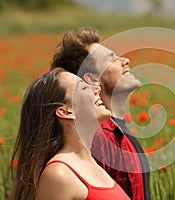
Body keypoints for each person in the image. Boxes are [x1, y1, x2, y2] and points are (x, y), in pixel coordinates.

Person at [51, 27, 151, 200]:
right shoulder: (100, 139)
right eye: (110, 59)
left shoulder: (117, 131)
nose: (125, 60)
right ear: (91, 79)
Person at [10, 68, 130, 200]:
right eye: (83, 88)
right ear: (66, 112)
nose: (97, 88)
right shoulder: (59, 175)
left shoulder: (94, 165)